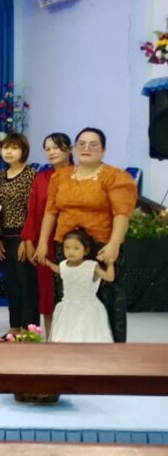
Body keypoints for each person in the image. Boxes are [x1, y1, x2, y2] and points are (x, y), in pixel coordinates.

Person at [33, 127, 137, 343]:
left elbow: (121, 213)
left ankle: (111, 358)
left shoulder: (116, 177)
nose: (86, 148)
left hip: (102, 247)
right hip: (68, 248)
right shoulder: (60, 177)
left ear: (104, 149)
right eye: (81, 143)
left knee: (109, 303)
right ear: (74, 148)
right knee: (68, 300)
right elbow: (50, 212)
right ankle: (66, 352)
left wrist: (114, 244)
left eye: (93, 144)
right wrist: (43, 242)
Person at [20, 133, 73, 336]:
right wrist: (30, 240)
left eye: (56, 147)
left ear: (69, 149)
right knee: (48, 292)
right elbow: (32, 210)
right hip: (46, 241)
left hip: (73, 241)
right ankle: (51, 336)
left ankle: (73, 336)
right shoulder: (41, 177)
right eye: (47, 148)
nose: (51, 152)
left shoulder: (78, 174)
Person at [0, 133, 39, 337]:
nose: (9, 152)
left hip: (24, 235)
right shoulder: (0, 176)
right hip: (5, 236)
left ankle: (29, 330)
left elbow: (33, 209)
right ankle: (14, 327)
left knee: (27, 284)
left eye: (14, 148)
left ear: (24, 151)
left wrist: (27, 239)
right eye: (5, 148)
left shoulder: (31, 175)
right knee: (11, 284)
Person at [44, 229, 114, 343]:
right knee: (67, 335)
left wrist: (110, 264)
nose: (71, 252)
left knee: (87, 336)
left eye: (76, 248)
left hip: (89, 309)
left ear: (86, 250)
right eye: (67, 247)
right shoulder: (63, 265)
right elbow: (57, 269)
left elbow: (109, 277)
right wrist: (46, 262)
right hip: (67, 309)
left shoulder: (91, 266)